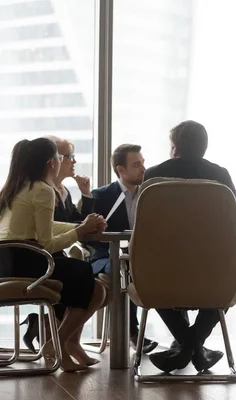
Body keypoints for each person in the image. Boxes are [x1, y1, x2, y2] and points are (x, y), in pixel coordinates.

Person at [0, 138, 107, 372]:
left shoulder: (13, 188)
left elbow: (45, 226)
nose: (61, 162)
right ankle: (56, 345)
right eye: (60, 158)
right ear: (51, 163)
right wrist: (80, 231)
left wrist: (80, 227)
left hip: (7, 262)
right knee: (83, 271)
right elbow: (46, 243)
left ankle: (61, 345)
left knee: (95, 288)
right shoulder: (42, 190)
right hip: (27, 261)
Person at [143, 120, 236, 373]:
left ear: (174, 148)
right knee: (228, 282)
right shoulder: (220, 175)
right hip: (213, 272)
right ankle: (196, 345)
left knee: (149, 278)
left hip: (162, 272)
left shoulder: (153, 175)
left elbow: (140, 224)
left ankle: (186, 345)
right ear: (204, 148)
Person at [19, 136, 96, 351]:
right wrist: (80, 230)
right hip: (40, 259)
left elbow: (63, 224)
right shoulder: (44, 190)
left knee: (88, 280)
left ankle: (58, 338)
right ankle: (60, 342)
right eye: (69, 156)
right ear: (55, 160)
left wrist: (86, 200)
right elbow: (48, 238)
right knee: (86, 278)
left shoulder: (21, 188)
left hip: (18, 259)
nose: (73, 161)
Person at [87, 144, 158, 354]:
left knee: (158, 270)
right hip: (107, 258)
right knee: (125, 269)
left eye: (143, 163)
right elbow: (89, 238)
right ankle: (133, 333)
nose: (143, 168)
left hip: (143, 257)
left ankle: (180, 339)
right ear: (120, 170)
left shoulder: (152, 195)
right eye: (136, 165)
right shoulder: (100, 196)